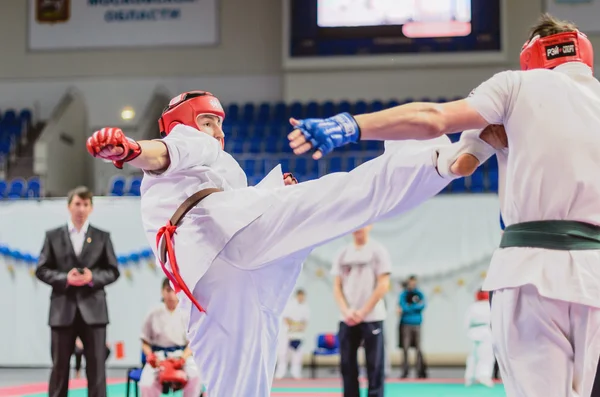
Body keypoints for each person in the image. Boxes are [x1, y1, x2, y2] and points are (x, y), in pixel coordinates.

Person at [288, 13, 600, 397]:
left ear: (532, 54)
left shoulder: (516, 86)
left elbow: (435, 122)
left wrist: (352, 124)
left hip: (530, 269)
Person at [85, 90, 464, 396]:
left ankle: (431, 161)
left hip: (218, 277)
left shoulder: (220, 167)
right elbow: (163, 153)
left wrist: (271, 194)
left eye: (219, 123)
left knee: (239, 390)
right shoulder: (187, 143)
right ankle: (431, 160)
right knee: (341, 198)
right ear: (182, 124)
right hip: (217, 248)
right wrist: (130, 150)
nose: (216, 131)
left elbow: (238, 204)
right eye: (207, 121)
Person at [35, 186, 120, 397]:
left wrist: (93, 278)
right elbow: (41, 270)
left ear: (91, 208)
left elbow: (113, 271)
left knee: (97, 370)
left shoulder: (102, 237)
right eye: (77, 204)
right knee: (59, 369)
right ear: (68, 206)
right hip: (62, 311)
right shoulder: (53, 236)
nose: (81, 208)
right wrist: (65, 278)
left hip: (95, 313)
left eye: (85, 204)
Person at [332, 226, 391, 397]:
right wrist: (346, 311)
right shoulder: (343, 253)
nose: (359, 228)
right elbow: (337, 286)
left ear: (370, 226)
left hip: (372, 317)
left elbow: (383, 284)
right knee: (347, 366)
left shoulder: (378, 251)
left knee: (375, 365)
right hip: (347, 318)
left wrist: (363, 312)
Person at [139, 278, 203, 397]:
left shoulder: (186, 312)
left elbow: (191, 343)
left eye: (174, 290)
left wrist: (183, 358)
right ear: (162, 292)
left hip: (180, 355)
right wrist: (150, 356)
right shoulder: (153, 313)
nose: (171, 295)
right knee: (146, 384)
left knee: (195, 375)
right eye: (168, 290)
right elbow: (145, 341)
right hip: (159, 357)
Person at [275, 288, 311, 379]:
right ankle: (281, 371)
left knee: (297, 353)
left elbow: (305, 320)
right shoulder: (290, 305)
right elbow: (286, 318)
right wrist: (292, 327)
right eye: (300, 296)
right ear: (297, 295)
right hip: (287, 332)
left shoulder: (305, 307)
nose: (301, 298)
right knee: (283, 353)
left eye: (303, 296)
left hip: (298, 333)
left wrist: (300, 327)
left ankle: (296, 372)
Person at [464, 289, 494, 388]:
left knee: (473, 356)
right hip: (486, 331)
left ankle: (470, 377)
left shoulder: (473, 306)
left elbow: (466, 321)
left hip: (473, 332)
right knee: (486, 356)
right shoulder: (489, 305)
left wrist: (467, 332)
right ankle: (484, 376)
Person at [398, 275, 426, 379]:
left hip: (417, 323)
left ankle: (420, 371)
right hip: (406, 324)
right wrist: (412, 308)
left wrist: (410, 308)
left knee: (418, 348)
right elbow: (402, 306)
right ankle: (405, 371)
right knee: (405, 348)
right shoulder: (404, 294)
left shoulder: (420, 294)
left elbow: (422, 305)